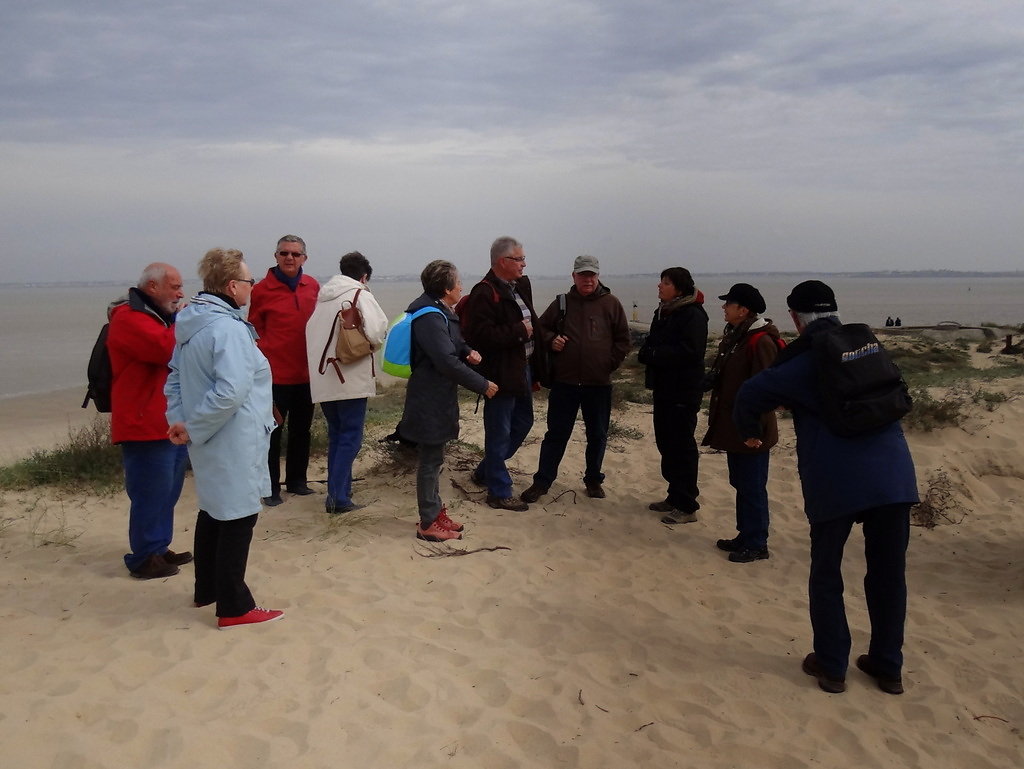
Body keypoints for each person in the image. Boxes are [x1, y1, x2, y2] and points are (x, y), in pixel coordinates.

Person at [734, 280, 918, 694]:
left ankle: (833, 665)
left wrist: (750, 431)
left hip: (836, 481)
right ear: (834, 311)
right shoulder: (868, 347)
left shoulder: (805, 361)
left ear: (796, 320)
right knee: (889, 574)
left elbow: (750, 393)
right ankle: (888, 666)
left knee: (827, 572)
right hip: (894, 478)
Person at [165, 248, 283, 630]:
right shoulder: (227, 328)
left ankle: (207, 589)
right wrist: (191, 425)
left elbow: (176, 379)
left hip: (212, 434)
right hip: (232, 436)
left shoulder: (192, 323)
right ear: (232, 286)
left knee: (214, 509)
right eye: (249, 281)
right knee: (237, 514)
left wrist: (181, 421)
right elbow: (230, 392)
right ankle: (233, 605)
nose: (252, 287)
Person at [397, 260, 498, 541]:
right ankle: (428, 522)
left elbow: (451, 345)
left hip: (438, 397)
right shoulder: (429, 315)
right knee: (430, 461)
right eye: (458, 281)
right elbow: (444, 361)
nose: (461, 286)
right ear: (446, 287)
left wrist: (467, 350)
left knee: (435, 459)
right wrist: (482, 384)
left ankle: (435, 511)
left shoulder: (441, 311)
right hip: (428, 399)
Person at [521, 255, 630, 502]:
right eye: (582, 275)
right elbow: (541, 329)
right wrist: (551, 340)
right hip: (565, 382)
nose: (587, 279)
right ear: (574, 276)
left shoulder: (611, 303)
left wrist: (608, 364)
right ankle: (542, 482)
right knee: (556, 434)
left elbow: (624, 340)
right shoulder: (562, 302)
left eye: (591, 274)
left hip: (598, 384)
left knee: (598, 434)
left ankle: (593, 480)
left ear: (598, 276)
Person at [107, 263, 191, 579]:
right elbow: (166, 349)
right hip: (143, 422)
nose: (180, 293)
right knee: (149, 492)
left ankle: (158, 546)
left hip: (167, 420)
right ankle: (143, 556)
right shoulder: (128, 318)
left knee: (168, 491)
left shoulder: (160, 318)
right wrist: (183, 321)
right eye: (175, 286)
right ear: (152, 287)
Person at [701, 283, 782, 563]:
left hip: (752, 431)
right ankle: (746, 534)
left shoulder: (760, 341)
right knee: (741, 482)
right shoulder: (738, 336)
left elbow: (766, 391)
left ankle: (757, 542)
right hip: (737, 426)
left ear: (743, 309)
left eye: (729, 304)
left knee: (752, 485)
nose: (724, 307)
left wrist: (752, 431)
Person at [461, 236, 542, 512]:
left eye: (523, 259)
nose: (524, 264)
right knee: (499, 431)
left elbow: (534, 321)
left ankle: (486, 470)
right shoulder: (484, 292)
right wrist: (520, 331)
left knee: (523, 423)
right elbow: (480, 336)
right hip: (500, 375)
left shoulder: (521, 285)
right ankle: (498, 491)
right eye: (519, 259)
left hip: (523, 370)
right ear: (502, 262)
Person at [305, 251, 388, 514]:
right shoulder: (360, 294)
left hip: (324, 378)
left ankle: (340, 489)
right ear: (364, 276)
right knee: (351, 438)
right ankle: (337, 498)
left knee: (337, 436)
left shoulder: (322, 298)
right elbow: (377, 330)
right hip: (349, 376)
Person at [248, 234, 320, 506]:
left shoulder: (312, 286)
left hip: (306, 375)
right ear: (276, 256)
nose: (289, 258)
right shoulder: (261, 290)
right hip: (274, 377)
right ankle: (270, 489)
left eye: (295, 254)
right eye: (284, 253)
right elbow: (252, 331)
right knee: (272, 433)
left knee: (302, 431)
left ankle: (297, 482)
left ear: (304, 258)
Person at [637, 268, 709, 523]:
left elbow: (690, 352)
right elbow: (649, 345)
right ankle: (674, 495)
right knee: (666, 443)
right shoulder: (664, 312)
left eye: (665, 283)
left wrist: (654, 355)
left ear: (679, 288)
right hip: (664, 388)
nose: (659, 286)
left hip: (683, 390)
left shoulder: (693, 314)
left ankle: (687, 504)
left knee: (682, 446)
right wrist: (650, 352)